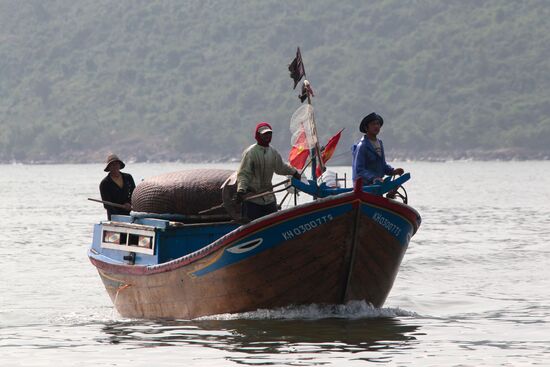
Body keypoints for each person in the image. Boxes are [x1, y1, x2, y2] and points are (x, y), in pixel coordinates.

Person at [236, 122, 301, 221]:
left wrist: (294, 172)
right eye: (264, 134)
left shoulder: (273, 152)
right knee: (254, 226)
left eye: (269, 133)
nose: (267, 136)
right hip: (253, 198)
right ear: (258, 135)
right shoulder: (251, 152)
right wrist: (241, 190)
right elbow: (244, 173)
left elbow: (281, 167)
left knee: (273, 223)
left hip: (269, 197)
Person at [352, 112, 404, 185]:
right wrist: (373, 177)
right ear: (366, 128)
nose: (376, 126)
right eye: (373, 124)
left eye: (378, 124)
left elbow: (382, 165)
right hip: (364, 186)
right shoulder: (362, 146)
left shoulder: (380, 143)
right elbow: (359, 169)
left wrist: (393, 171)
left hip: (377, 184)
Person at [99, 153, 136, 220]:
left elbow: (134, 193)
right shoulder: (105, 183)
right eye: (112, 165)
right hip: (114, 215)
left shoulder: (128, 177)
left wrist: (129, 203)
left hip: (129, 212)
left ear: (119, 165)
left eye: (116, 164)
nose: (115, 166)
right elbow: (107, 204)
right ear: (109, 167)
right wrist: (118, 215)